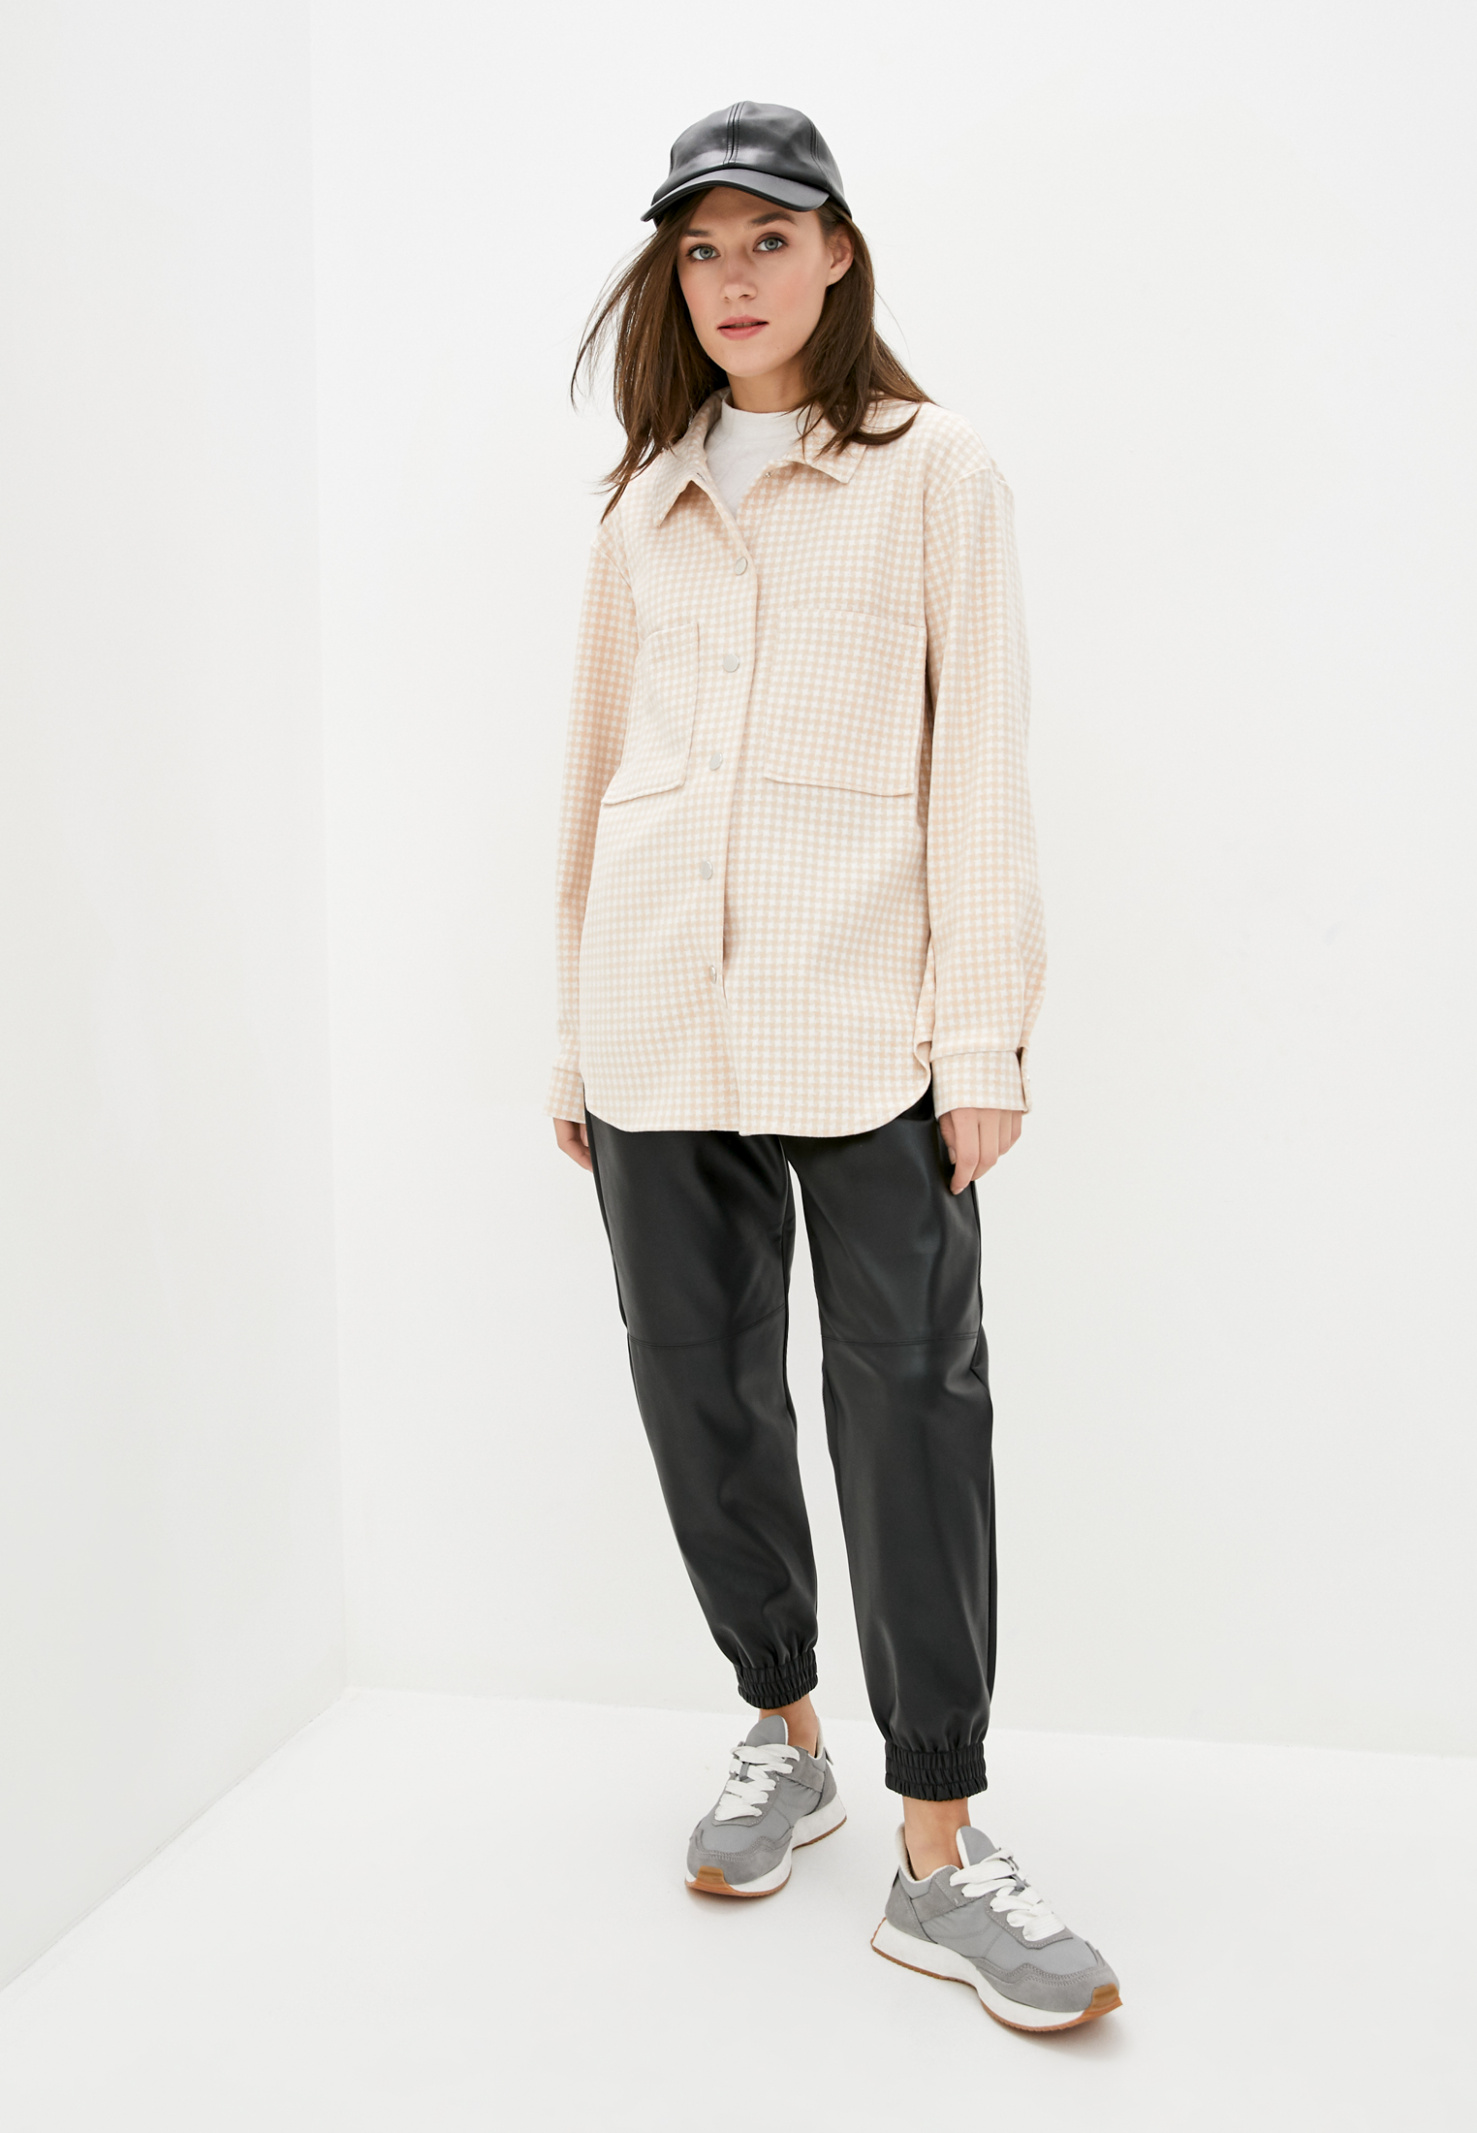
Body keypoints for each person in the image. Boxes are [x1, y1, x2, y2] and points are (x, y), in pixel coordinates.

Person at [545, 100, 1119, 2033]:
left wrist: (982, 1034)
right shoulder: (642, 500)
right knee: (696, 1390)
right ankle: (780, 1730)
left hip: (864, 1028)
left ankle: (936, 1843)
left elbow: (982, 760)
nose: (733, 279)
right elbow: (592, 770)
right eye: (701, 250)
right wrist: (573, 1030)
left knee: (911, 1408)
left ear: (837, 251)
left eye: (767, 241)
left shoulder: (933, 471)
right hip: (653, 1026)